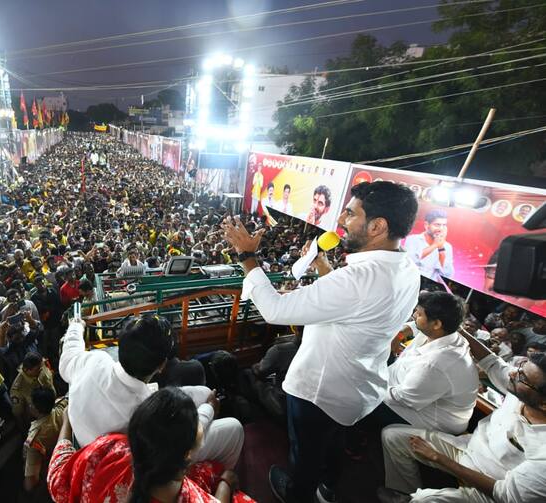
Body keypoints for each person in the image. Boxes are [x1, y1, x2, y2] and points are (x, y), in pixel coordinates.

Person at [223, 180, 420, 503]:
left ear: (377, 226)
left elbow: (274, 310)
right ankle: (329, 486)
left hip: (319, 392)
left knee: (306, 453)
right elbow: (358, 305)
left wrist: (247, 255)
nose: (341, 220)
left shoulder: (355, 279)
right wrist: (324, 268)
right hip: (359, 390)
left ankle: (298, 493)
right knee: (333, 443)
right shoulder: (407, 269)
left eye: (350, 213)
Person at [378, 327, 546, 503]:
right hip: (465, 449)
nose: (512, 374)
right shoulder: (520, 390)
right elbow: (492, 362)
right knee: (392, 436)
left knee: (425, 500)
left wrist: (440, 459)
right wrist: (459, 330)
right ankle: (405, 492)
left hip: (490, 489)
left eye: (523, 377)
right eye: (520, 367)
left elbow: (504, 494)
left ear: (543, 403)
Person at [59, 313, 244, 469]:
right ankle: (218, 475)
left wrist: (76, 327)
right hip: (140, 462)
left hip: (90, 449)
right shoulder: (148, 410)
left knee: (202, 393)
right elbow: (185, 440)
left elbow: (69, 354)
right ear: (162, 365)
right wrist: (210, 408)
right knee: (234, 428)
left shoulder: (94, 360)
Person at [47, 387, 253, 503]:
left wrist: (66, 423)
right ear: (187, 454)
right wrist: (226, 483)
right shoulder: (191, 498)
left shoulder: (107, 448)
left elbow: (58, 483)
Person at [375, 292, 479, 434]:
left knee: (358, 399)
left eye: (419, 314)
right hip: (399, 386)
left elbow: (404, 399)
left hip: (424, 419)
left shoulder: (437, 363)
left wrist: (371, 385)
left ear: (436, 323)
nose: (414, 316)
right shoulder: (445, 333)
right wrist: (400, 334)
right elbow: (415, 326)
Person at [23, 388, 67, 492]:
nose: (29, 405)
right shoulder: (61, 408)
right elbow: (65, 398)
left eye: (31, 404)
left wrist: (26, 491)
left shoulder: (35, 440)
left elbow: (31, 479)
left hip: (48, 471)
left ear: (36, 409)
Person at [404, 210, 454, 282]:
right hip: (408, 280)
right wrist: (434, 245)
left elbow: (448, 275)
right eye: (437, 225)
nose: (441, 229)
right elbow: (409, 262)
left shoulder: (447, 247)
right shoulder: (413, 239)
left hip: (428, 288)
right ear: (426, 225)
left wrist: (441, 249)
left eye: (444, 225)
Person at [10, 352, 55, 427]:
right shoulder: (18, 388)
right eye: (37, 369)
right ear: (26, 370)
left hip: (53, 410)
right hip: (37, 422)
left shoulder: (41, 365)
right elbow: (18, 413)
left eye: (41, 367)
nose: (41, 370)